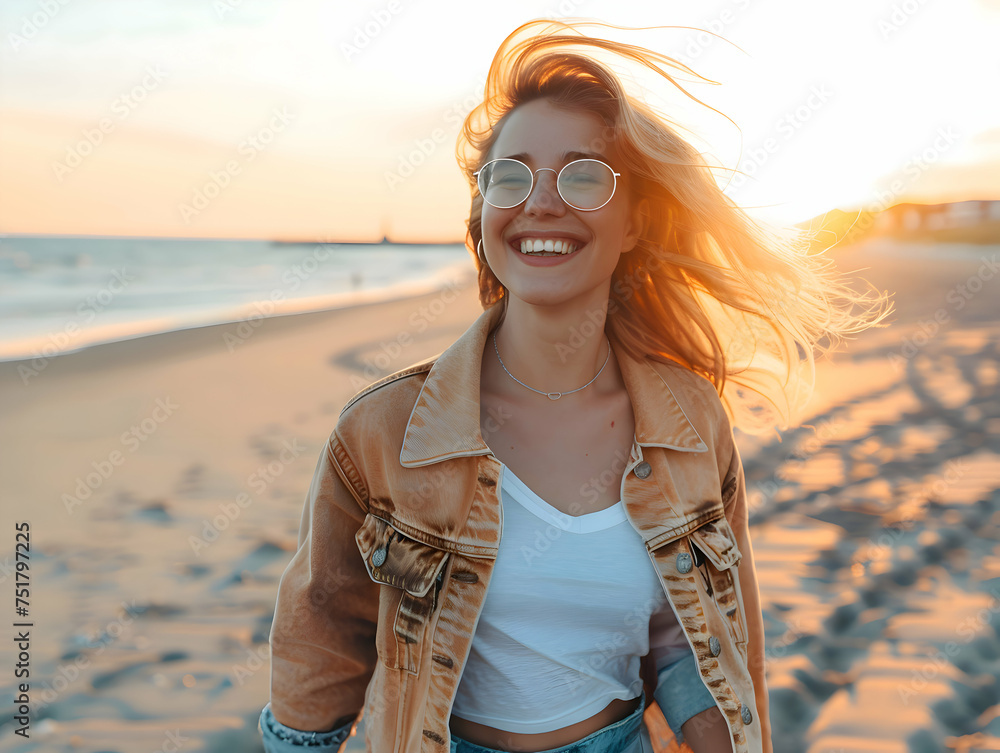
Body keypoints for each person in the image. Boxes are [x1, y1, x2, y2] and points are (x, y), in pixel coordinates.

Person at [258, 18, 893, 753]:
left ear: (632, 223)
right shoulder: (384, 431)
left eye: (584, 174)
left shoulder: (689, 424)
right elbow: (321, 634)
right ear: (483, 214)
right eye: (512, 175)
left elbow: (691, 633)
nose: (543, 202)